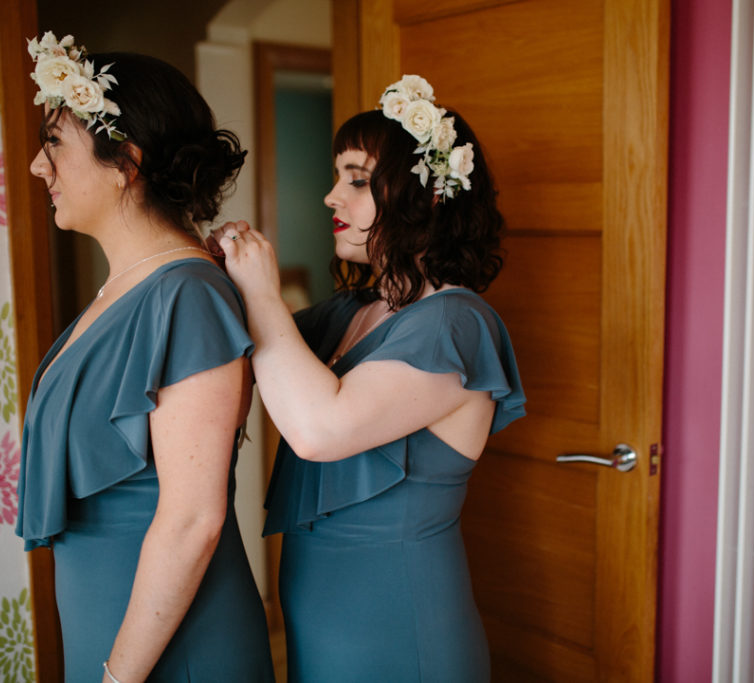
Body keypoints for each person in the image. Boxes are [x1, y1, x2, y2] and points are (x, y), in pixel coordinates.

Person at [214, 75, 526, 682]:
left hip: (399, 628)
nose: (332, 197)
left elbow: (318, 431)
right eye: (338, 178)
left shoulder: (456, 324)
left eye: (356, 180)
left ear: (426, 195)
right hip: (321, 619)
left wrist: (260, 289)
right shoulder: (351, 311)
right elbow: (243, 351)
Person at [14, 33, 274, 682]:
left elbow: (192, 519)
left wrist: (117, 676)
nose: (36, 167)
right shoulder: (120, 290)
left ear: (125, 160)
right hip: (111, 622)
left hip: (169, 645)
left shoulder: (187, 293)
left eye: (53, 143)